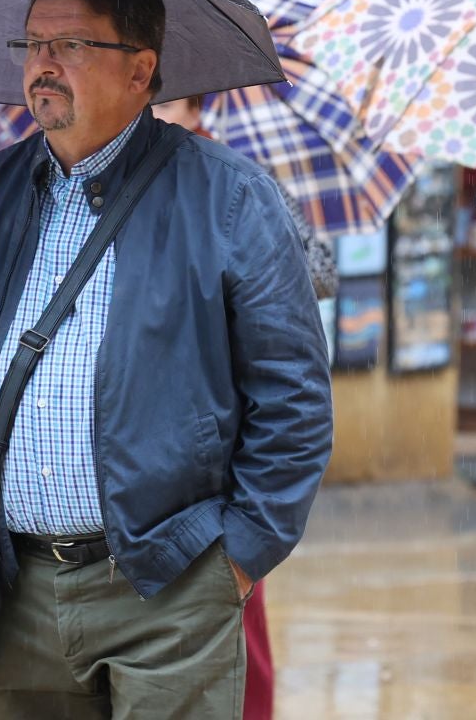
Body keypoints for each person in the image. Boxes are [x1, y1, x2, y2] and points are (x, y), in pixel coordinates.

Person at [0, 0, 334, 719]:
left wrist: (238, 558)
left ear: (140, 70)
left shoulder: (229, 200)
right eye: (32, 45)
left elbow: (294, 403)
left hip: (168, 583)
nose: (43, 65)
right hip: (12, 586)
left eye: (72, 45)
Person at [152, 93, 337, 720]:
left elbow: (322, 271)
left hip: (217, 441)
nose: (155, 113)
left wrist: (245, 271)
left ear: (198, 108)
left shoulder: (238, 184)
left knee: (237, 637)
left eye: (168, 102)